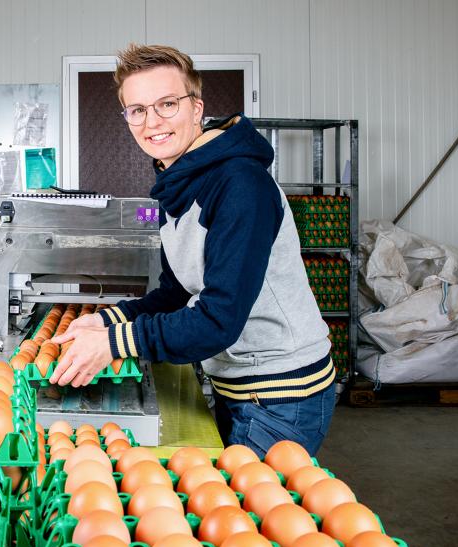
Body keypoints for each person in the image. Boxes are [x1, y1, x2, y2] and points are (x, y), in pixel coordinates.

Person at [49, 44, 335, 457]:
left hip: (281, 394)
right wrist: (107, 320)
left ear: (196, 108)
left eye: (167, 104)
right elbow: (177, 293)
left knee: (249, 501)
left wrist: (115, 343)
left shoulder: (240, 184)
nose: (152, 122)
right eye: (137, 110)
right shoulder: (177, 183)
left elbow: (218, 320)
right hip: (237, 383)